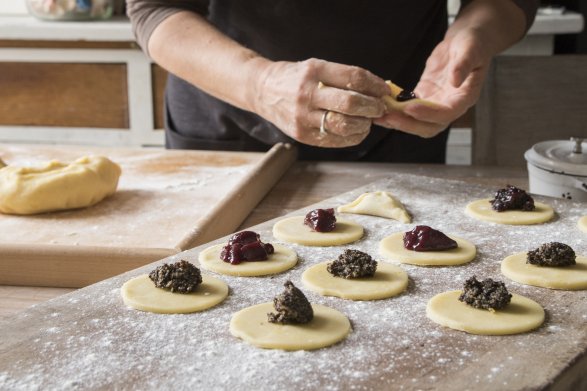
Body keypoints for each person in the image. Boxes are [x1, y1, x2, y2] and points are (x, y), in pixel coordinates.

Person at [127, 0, 538, 162]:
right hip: (226, 123)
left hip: (399, 129)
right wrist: (260, 83)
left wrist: (475, 34)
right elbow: (156, 9)